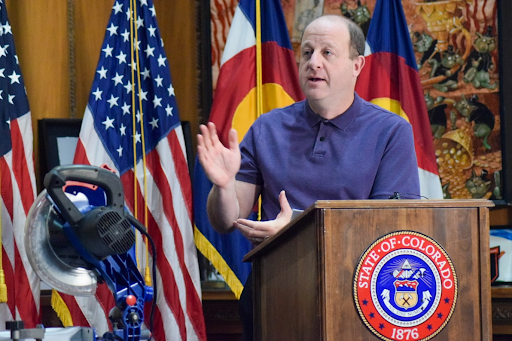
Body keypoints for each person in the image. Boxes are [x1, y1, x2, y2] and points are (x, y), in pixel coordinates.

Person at [197, 14, 420, 340]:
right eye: (307, 52)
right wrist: (221, 186)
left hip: (357, 299)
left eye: (327, 53)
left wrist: (296, 227)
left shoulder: (391, 131)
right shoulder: (266, 127)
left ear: (357, 65)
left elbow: (391, 231)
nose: (313, 62)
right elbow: (226, 219)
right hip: (274, 293)